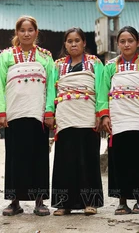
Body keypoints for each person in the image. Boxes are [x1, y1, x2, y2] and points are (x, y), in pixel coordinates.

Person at [0, 15, 55, 216]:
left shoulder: (46, 57)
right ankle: (14, 201)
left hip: (38, 114)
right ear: (16, 33)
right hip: (14, 114)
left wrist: (49, 111)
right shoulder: (6, 56)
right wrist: (0, 112)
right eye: (22, 30)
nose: (26, 34)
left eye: (30, 30)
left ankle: (39, 201)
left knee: (39, 157)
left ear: (36, 33)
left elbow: (52, 86)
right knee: (15, 157)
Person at [99, 26, 139, 215]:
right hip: (117, 118)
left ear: (138, 43)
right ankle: (122, 201)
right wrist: (105, 115)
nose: (126, 45)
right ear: (117, 44)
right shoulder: (109, 67)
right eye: (122, 41)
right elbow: (102, 92)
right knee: (119, 159)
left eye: (130, 41)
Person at [51, 27, 104, 216]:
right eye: (69, 41)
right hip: (65, 116)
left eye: (77, 41)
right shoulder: (57, 66)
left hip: (87, 115)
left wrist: (101, 113)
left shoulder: (95, 64)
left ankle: (91, 202)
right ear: (65, 44)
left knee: (88, 158)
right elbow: (51, 91)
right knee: (65, 159)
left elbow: (101, 89)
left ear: (84, 43)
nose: (73, 44)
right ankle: (63, 203)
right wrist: (50, 112)